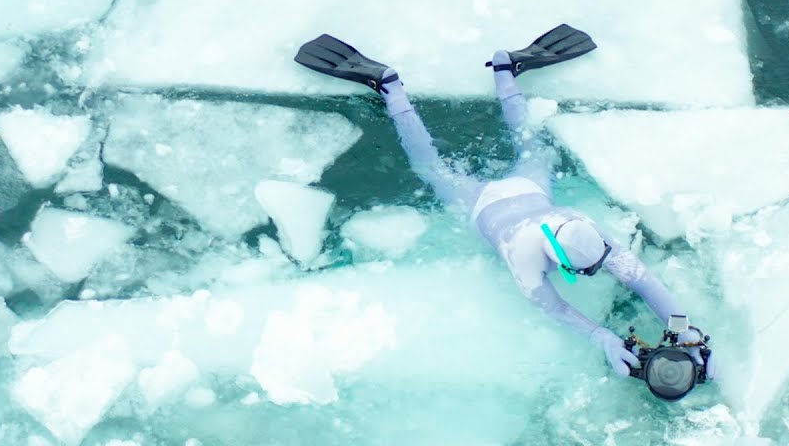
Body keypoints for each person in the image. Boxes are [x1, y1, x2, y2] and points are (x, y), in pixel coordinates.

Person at [295, 25, 716, 380]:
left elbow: (644, 281)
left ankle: (503, 71)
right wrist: (599, 336)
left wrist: (685, 333)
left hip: (528, 193)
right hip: (482, 202)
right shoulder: (524, 256)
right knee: (431, 166)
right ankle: (391, 87)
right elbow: (556, 308)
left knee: (528, 146)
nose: (592, 272)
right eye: (584, 269)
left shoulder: (586, 234)